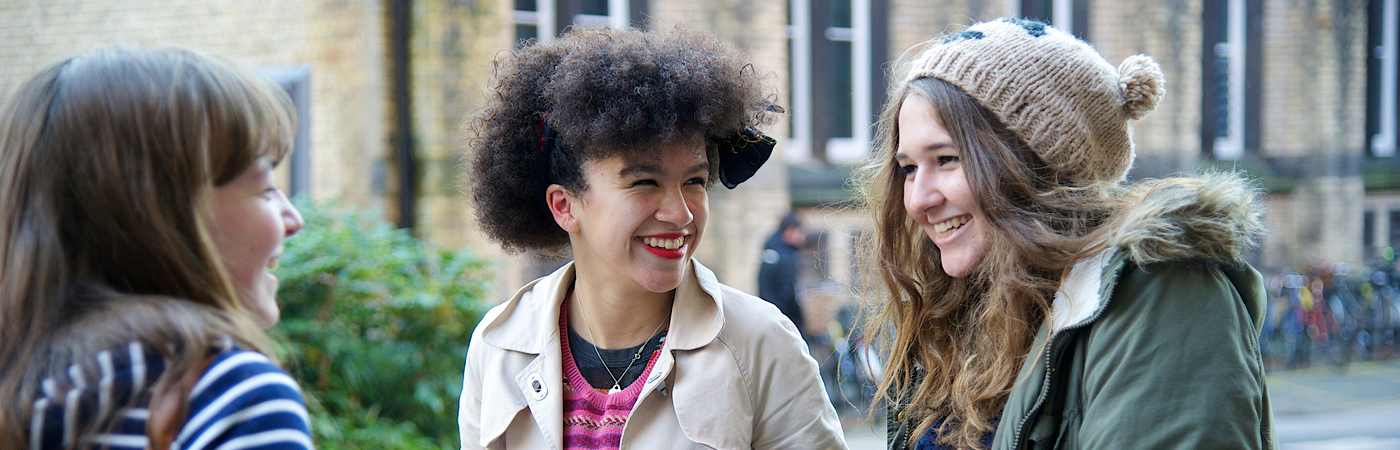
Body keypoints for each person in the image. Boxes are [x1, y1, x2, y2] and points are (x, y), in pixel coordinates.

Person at [858, 18, 1274, 449]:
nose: (918, 200)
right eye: (908, 168)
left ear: (1038, 165)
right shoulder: (959, 316)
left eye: (946, 159)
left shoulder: (1162, 295)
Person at [458, 28, 845, 449]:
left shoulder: (761, 345)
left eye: (695, 181)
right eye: (645, 182)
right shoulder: (499, 346)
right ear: (564, 206)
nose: (679, 213)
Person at [0, 47, 311, 450]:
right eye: (266, 187)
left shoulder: (24, 399)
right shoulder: (227, 398)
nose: (293, 220)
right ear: (167, 216)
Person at [758, 212, 809, 337]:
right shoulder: (777, 254)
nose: (802, 236)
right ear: (789, 231)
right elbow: (769, 289)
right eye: (799, 232)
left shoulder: (785, 252)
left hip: (784, 318)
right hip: (780, 320)